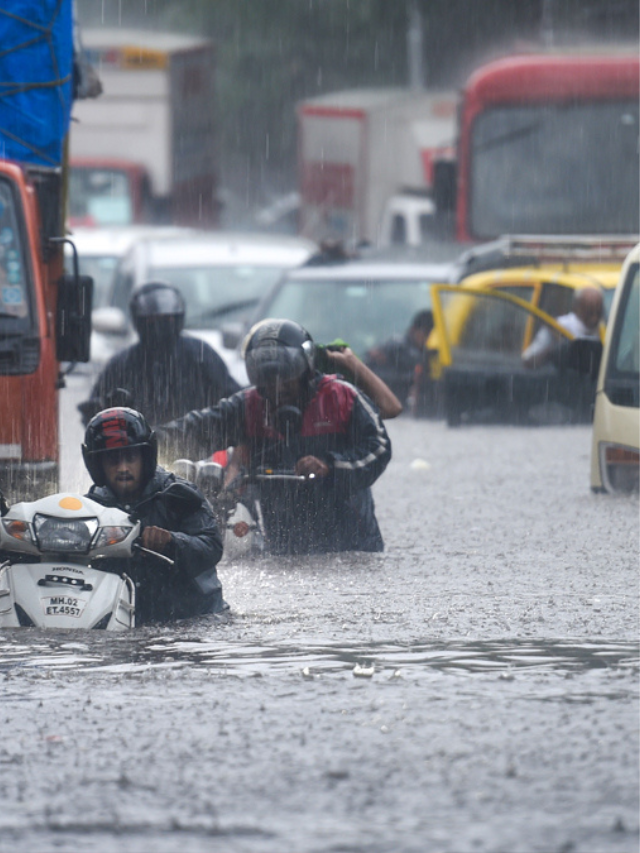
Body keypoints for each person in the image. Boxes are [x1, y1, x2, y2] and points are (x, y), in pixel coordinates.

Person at [157, 319, 392, 555]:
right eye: (267, 379)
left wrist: (330, 466)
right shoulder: (248, 406)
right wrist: (143, 442)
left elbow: (379, 448)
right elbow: (195, 430)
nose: (277, 388)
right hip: (284, 548)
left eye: (285, 377)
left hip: (354, 547)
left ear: (306, 370)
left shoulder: (342, 395)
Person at [82, 406, 226, 625]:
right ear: (97, 465)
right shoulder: (90, 506)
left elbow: (212, 547)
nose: (122, 468)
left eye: (130, 457)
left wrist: (171, 541)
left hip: (193, 617)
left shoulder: (180, 495)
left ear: (146, 457)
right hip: (122, 618)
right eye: (112, 460)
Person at [78, 281, 240, 427]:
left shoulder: (201, 355)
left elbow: (234, 401)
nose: (160, 328)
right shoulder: (122, 364)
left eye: (168, 320)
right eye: (152, 321)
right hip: (141, 452)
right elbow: (94, 418)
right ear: (140, 321)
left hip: (200, 449)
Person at [365, 309, 435, 408]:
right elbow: (377, 373)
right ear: (414, 329)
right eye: (426, 333)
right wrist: (410, 378)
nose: (428, 338)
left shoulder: (422, 353)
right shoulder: (398, 347)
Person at [522, 287, 604, 368]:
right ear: (577, 308)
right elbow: (528, 361)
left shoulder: (605, 330)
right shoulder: (559, 327)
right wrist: (556, 349)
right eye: (590, 311)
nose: (595, 317)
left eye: (598, 312)